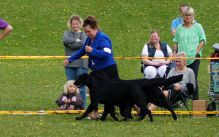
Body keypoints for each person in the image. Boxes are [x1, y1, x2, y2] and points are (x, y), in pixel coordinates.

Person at [64, 16, 119, 119]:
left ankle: (136, 108)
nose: (87, 34)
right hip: (97, 71)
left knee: (118, 91)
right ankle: (95, 113)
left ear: (95, 28)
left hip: (108, 69)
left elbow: (107, 54)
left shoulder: (103, 38)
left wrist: (92, 51)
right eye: (86, 32)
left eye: (89, 31)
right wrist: (70, 59)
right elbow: (83, 51)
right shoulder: (90, 39)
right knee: (94, 92)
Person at [173, 6, 206, 100]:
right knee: (181, 78)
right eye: (185, 15)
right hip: (181, 58)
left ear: (193, 16)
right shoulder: (179, 27)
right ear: (183, 16)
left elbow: (203, 40)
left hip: (194, 57)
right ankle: (178, 100)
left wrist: (196, 51)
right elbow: (175, 41)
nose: (187, 17)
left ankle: (196, 102)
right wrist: (174, 52)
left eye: (189, 15)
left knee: (193, 79)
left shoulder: (198, 26)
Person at [63, 15, 88, 109]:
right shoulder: (66, 33)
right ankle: (71, 106)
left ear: (80, 24)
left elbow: (83, 44)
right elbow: (65, 40)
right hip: (69, 64)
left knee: (81, 87)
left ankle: (82, 106)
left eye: (77, 23)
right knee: (70, 86)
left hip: (82, 64)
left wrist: (71, 44)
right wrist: (76, 41)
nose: (75, 25)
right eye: (73, 23)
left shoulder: (84, 34)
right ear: (70, 24)